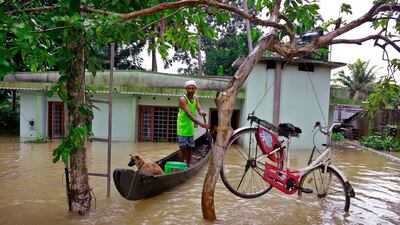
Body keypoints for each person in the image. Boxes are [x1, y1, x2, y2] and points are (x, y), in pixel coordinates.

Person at [177, 80, 209, 166]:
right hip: (182, 126)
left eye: (192, 88)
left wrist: (201, 111)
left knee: (190, 147)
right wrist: (201, 124)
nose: (191, 90)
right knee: (183, 148)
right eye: (189, 88)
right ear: (186, 89)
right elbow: (189, 114)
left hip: (190, 126)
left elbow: (199, 108)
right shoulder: (183, 99)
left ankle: (188, 164)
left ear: (195, 89)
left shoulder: (196, 98)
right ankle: (180, 166)